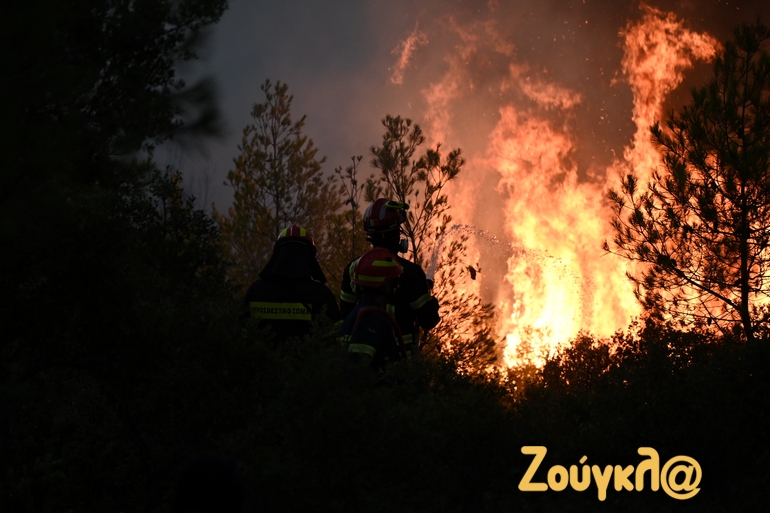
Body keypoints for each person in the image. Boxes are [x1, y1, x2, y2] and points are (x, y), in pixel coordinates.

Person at [339, 199, 439, 358]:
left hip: (364, 356)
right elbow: (428, 320)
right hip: (400, 360)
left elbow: (346, 313)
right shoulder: (410, 272)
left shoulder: (353, 268)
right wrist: (431, 302)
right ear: (392, 233)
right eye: (398, 230)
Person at [244, 224, 341, 341]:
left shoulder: (256, 290)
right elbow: (334, 338)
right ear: (310, 257)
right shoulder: (321, 294)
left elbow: (241, 332)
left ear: (277, 254)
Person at [337, 247, 406, 369]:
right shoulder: (374, 320)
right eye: (394, 283)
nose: (397, 287)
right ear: (384, 286)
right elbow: (359, 367)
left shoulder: (355, 314)